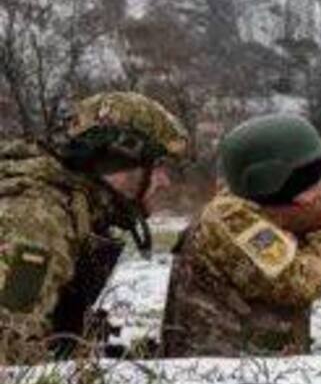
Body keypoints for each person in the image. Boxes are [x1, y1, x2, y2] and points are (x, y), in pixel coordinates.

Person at [160, 114, 321, 358]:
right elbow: (296, 280)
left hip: (254, 370)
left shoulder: (264, 211)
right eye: (310, 186)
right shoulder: (230, 221)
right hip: (212, 375)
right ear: (272, 183)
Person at [0, 92, 188, 356]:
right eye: (158, 166)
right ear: (121, 159)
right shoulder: (38, 217)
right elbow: (8, 348)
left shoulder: (81, 211)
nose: (165, 181)